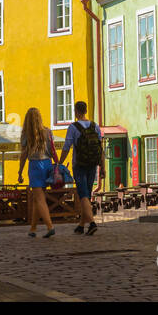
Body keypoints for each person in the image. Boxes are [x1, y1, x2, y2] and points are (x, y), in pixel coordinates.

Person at [59, 100, 104, 235]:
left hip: (79, 164)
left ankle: (92, 223)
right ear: (85, 110)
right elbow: (100, 149)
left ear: (76, 112)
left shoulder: (73, 127)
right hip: (93, 164)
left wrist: (60, 162)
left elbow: (66, 147)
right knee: (87, 194)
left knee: (83, 194)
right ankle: (81, 225)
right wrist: (102, 167)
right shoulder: (95, 126)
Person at [15, 107, 56, 238]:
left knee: (39, 198)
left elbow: (23, 154)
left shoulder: (26, 134)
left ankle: (50, 226)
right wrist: (58, 165)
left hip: (35, 165)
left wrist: (20, 172)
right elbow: (53, 150)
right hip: (48, 164)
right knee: (37, 199)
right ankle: (33, 228)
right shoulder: (48, 131)